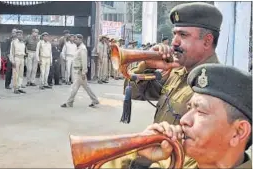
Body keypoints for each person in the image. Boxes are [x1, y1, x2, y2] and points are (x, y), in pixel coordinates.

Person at [104, 2, 223, 168]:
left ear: (207, 41)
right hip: (154, 157)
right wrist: (148, 64)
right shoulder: (177, 72)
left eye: (183, 35)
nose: (174, 42)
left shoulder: (217, 87)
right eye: (174, 34)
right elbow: (136, 93)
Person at [129, 64, 252, 169]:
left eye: (201, 111)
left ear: (238, 132)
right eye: (189, 108)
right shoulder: (173, 162)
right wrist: (141, 151)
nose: (183, 120)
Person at [61, 34, 99, 108]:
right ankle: (95, 100)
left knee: (74, 88)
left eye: (76, 39)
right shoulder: (78, 48)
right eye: (74, 39)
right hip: (77, 70)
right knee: (86, 87)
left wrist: (84, 72)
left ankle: (69, 102)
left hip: (80, 71)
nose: (75, 40)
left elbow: (84, 61)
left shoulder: (82, 49)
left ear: (80, 40)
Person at [9, 30, 26, 94]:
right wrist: (12, 61)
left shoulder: (23, 42)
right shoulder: (13, 42)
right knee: (16, 74)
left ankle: (19, 87)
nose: (20, 35)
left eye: (21, 34)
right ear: (16, 35)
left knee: (21, 74)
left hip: (22, 58)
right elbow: (11, 53)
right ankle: (15, 88)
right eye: (18, 34)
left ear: (22, 35)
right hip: (16, 58)